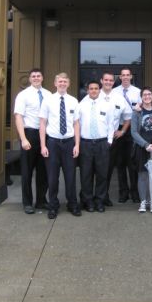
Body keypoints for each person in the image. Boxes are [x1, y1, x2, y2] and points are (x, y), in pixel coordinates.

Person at [39, 72, 81, 219]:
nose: (62, 84)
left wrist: (77, 144)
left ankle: (72, 204)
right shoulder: (48, 100)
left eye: (65, 81)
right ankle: (53, 206)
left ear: (68, 84)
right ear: (55, 83)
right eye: (60, 81)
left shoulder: (73, 101)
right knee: (52, 177)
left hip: (69, 143)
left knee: (70, 176)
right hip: (52, 143)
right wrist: (43, 145)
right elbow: (42, 123)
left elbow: (76, 124)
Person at [13, 68, 51, 214]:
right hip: (30, 134)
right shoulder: (23, 95)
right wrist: (23, 139)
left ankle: (41, 201)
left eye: (38, 76)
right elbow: (18, 117)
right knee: (27, 171)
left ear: (42, 78)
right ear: (29, 79)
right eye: (33, 76)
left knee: (43, 171)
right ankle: (27, 203)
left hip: (46, 135)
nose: (36, 78)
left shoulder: (48, 94)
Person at [77, 80, 115, 212]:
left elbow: (111, 124)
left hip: (102, 143)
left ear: (99, 90)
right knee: (86, 174)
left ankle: (100, 201)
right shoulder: (81, 105)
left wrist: (109, 140)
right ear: (87, 90)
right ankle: (88, 201)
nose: (93, 90)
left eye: (96, 88)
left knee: (102, 174)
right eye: (91, 88)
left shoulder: (107, 105)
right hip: (86, 143)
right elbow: (77, 124)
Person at [99, 72, 132, 206]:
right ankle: (94, 197)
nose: (108, 82)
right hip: (97, 139)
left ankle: (104, 196)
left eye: (110, 80)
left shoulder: (119, 98)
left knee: (109, 168)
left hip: (113, 139)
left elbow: (128, 116)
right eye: (106, 80)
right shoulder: (94, 95)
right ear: (101, 81)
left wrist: (122, 131)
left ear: (113, 82)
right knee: (97, 169)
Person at [130, 86, 152, 213]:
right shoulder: (137, 112)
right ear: (141, 97)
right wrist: (145, 144)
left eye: (149, 94)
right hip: (142, 147)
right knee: (142, 175)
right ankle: (143, 201)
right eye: (144, 95)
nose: (147, 97)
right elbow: (134, 132)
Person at [111, 68, 141, 203]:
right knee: (120, 162)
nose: (125, 77)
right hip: (118, 128)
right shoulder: (114, 92)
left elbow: (142, 107)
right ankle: (123, 192)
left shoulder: (137, 92)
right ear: (120, 77)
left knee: (132, 163)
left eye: (127, 75)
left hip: (133, 129)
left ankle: (135, 192)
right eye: (123, 75)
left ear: (131, 77)